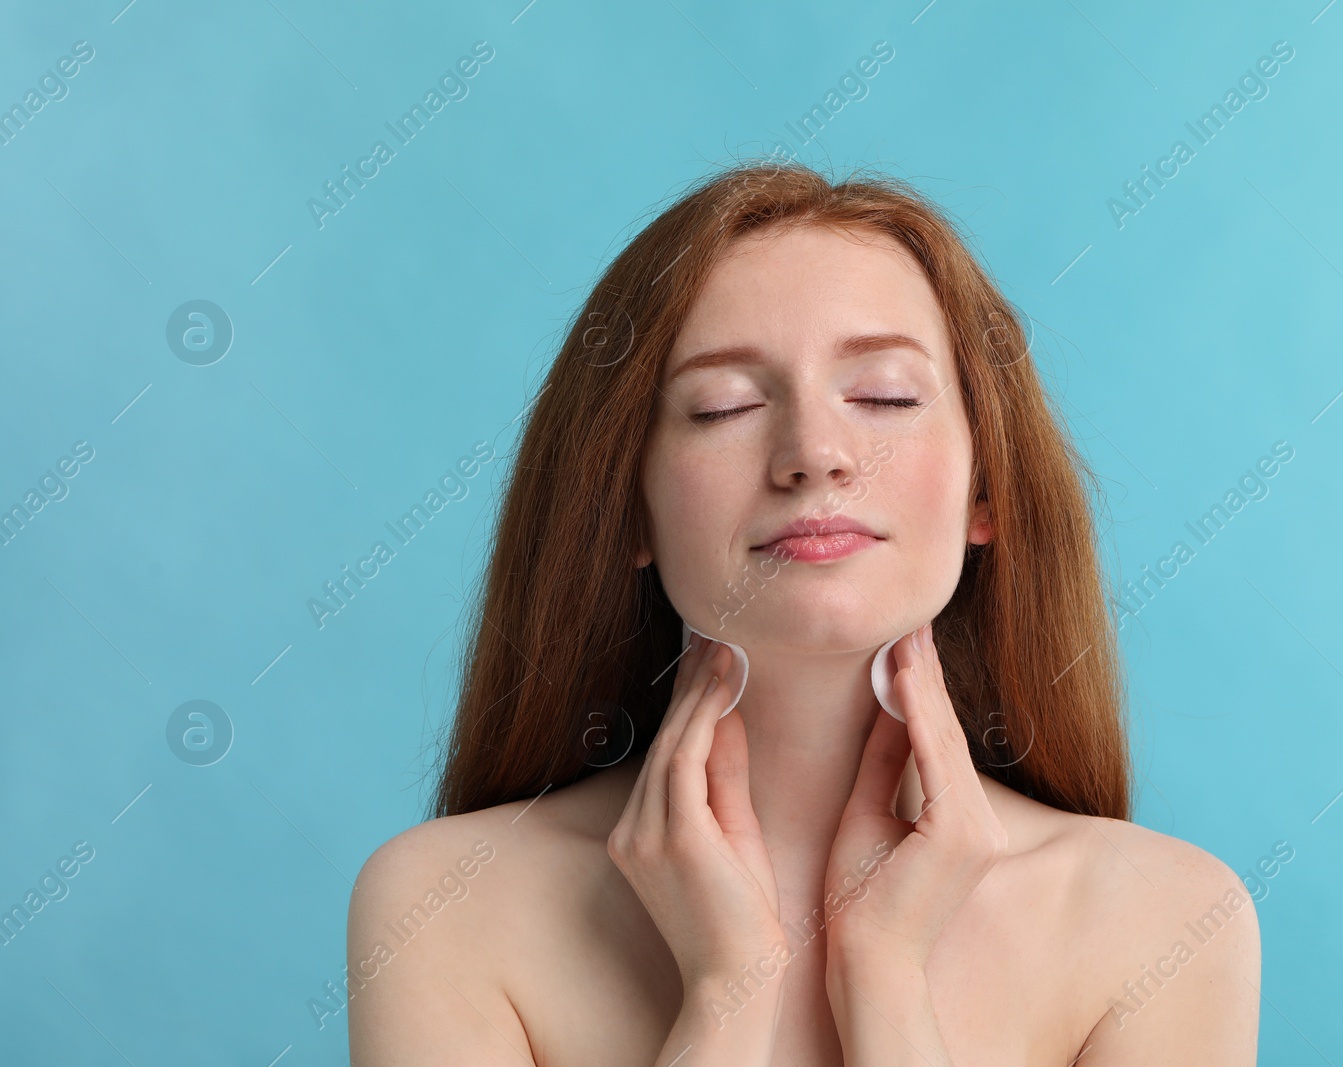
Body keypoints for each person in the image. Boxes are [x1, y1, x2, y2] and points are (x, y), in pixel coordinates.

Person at [346, 160, 1260, 1065]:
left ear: (986, 491)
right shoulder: (443, 905)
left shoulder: (1166, 923)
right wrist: (726, 987)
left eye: (885, 396)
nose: (815, 454)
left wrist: (886, 979)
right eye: (724, 405)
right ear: (629, 510)